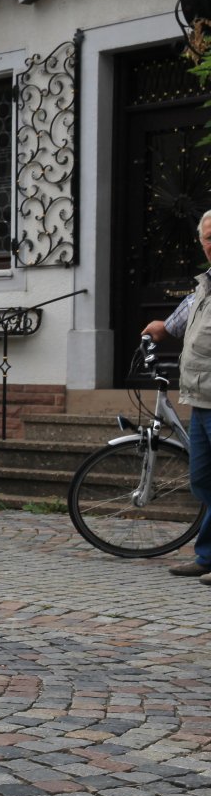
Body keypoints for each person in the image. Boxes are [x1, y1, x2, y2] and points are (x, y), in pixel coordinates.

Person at [145, 209, 211, 580]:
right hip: (201, 400)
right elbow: (179, 320)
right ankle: (207, 557)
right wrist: (160, 329)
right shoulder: (205, 286)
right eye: (209, 237)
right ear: (202, 243)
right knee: (202, 480)